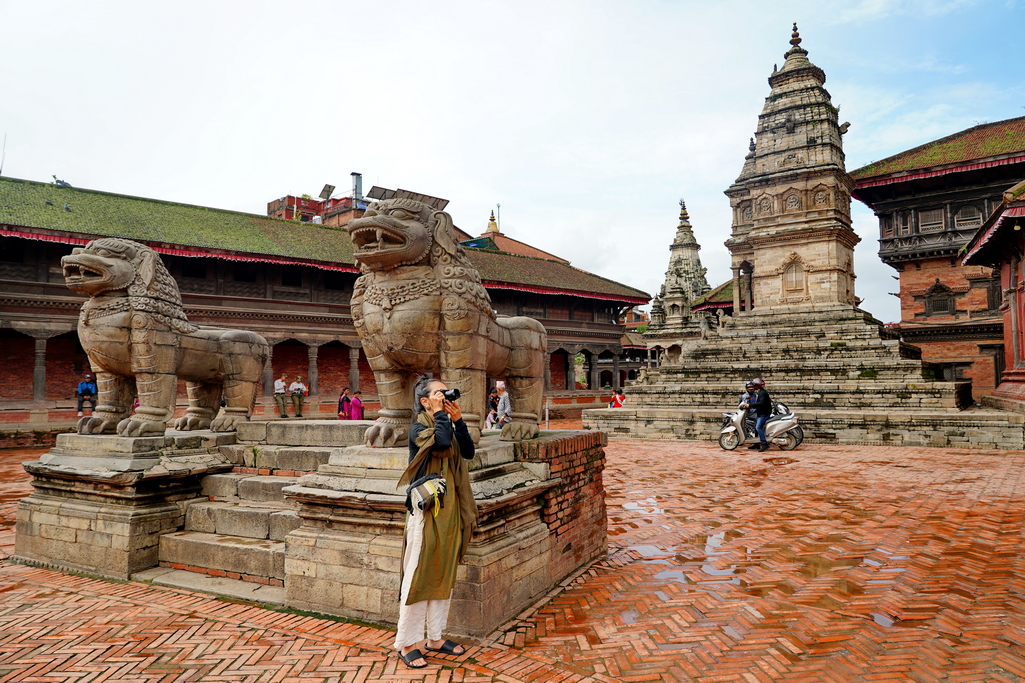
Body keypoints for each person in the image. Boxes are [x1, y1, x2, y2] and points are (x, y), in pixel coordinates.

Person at [395, 377, 477, 669]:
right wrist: (442, 415)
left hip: (450, 510)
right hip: (426, 512)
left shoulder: (445, 424)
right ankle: (407, 643)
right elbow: (440, 443)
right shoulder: (418, 428)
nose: (445, 396)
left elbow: (468, 452)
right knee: (418, 576)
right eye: (439, 393)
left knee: (443, 573)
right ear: (425, 401)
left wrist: (459, 421)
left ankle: (435, 638)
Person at [748, 378, 772, 452]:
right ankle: (756, 443)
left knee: (758, 427)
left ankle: (764, 444)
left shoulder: (762, 393)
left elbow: (761, 403)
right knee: (755, 427)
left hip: (764, 414)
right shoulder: (761, 392)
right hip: (761, 413)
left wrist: (751, 405)